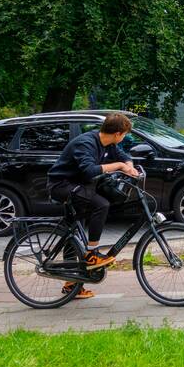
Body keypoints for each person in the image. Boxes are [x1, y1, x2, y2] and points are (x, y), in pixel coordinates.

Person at [47, 112, 140, 299]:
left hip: (79, 186)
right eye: (124, 135)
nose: (123, 139)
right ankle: (92, 254)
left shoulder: (109, 144)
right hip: (61, 185)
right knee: (101, 205)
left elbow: (123, 155)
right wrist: (120, 166)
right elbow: (89, 170)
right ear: (117, 134)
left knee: (74, 231)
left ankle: (71, 285)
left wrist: (129, 165)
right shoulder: (86, 143)